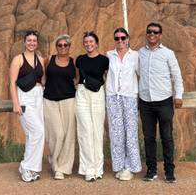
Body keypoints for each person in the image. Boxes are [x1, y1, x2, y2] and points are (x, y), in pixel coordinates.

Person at [138, 22, 184, 183]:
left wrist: (178, 95)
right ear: (146, 34)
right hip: (145, 102)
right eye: (149, 32)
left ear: (160, 36)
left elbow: (176, 75)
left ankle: (169, 171)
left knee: (166, 137)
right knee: (149, 137)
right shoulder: (140, 54)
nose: (152, 34)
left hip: (164, 101)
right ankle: (151, 170)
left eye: (155, 32)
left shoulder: (168, 54)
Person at [105, 27, 142, 181]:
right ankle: (119, 166)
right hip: (113, 97)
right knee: (116, 133)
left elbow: (141, 75)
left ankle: (130, 167)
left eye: (122, 38)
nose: (120, 41)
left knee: (130, 132)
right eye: (117, 38)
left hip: (129, 97)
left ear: (127, 38)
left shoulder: (135, 56)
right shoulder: (109, 55)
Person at [9, 30, 45, 182]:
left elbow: (42, 79)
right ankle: (26, 166)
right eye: (29, 40)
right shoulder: (18, 59)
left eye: (34, 41)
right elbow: (12, 82)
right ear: (24, 42)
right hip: (24, 97)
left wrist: (42, 88)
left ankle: (32, 169)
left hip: (38, 96)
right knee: (38, 131)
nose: (32, 43)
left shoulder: (40, 59)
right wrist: (16, 103)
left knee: (33, 135)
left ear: (37, 43)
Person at [75, 31, 109, 182]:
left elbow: (107, 77)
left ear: (96, 43)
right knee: (85, 130)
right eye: (86, 42)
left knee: (97, 130)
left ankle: (98, 168)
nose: (88, 44)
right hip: (82, 93)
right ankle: (88, 169)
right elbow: (76, 78)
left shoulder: (104, 60)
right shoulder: (80, 60)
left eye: (91, 41)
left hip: (97, 94)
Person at [43, 34, 76, 180]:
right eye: (60, 45)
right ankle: (54, 160)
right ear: (56, 47)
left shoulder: (73, 62)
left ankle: (62, 168)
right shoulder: (49, 59)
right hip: (49, 100)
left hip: (69, 100)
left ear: (69, 47)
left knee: (69, 135)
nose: (63, 47)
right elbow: (43, 76)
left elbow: (77, 79)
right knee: (57, 133)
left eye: (65, 45)